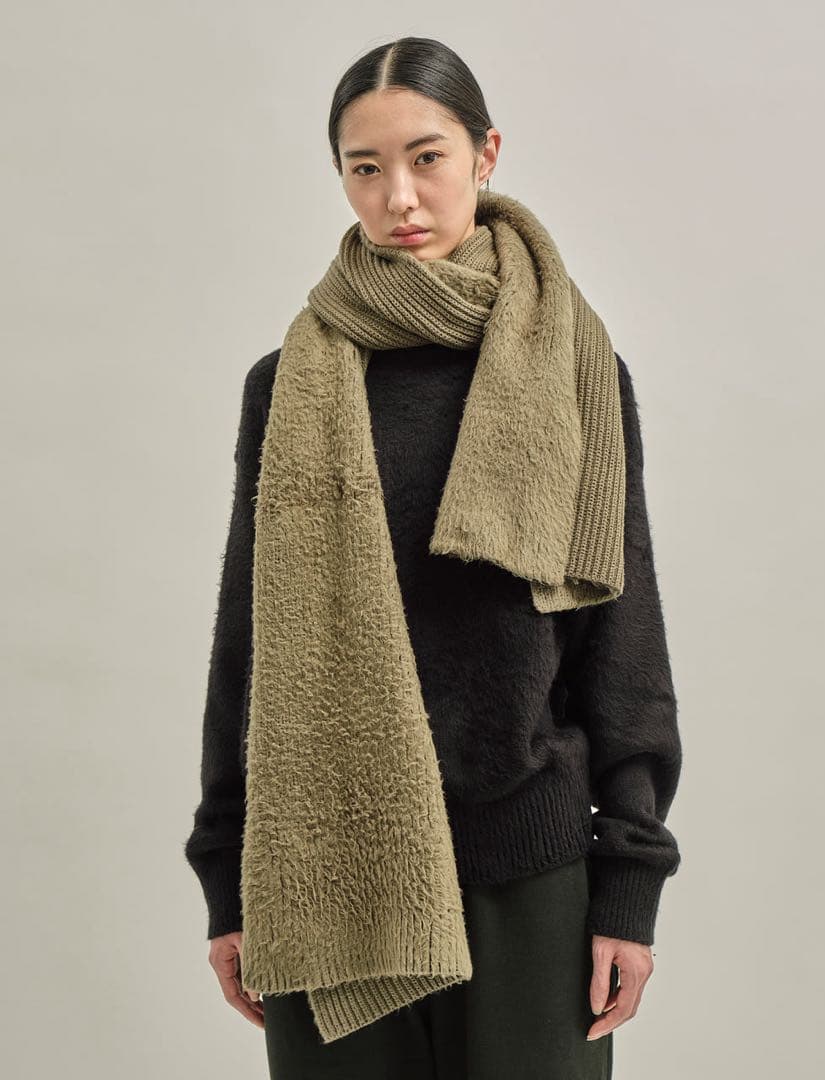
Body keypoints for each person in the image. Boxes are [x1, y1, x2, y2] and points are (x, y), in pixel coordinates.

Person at [184, 35, 683, 1080]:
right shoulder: (290, 384)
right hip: (325, 871)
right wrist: (228, 878)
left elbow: (623, 641)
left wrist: (630, 885)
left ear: (486, 152)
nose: (399, 197)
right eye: (365, 168)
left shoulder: (576, 367)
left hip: (530, 873)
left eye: (427, 158)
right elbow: (249, 644)